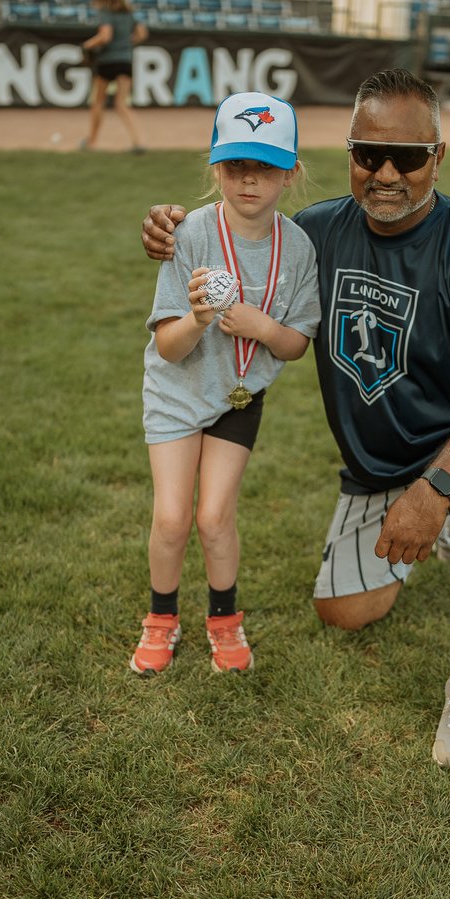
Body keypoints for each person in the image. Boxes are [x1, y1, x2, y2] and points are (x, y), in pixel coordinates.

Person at [140, 68, 450, 771]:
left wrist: (433, 491)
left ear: (438, 158)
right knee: (344, 614)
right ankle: (434, 525)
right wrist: (170, 230)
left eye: (410, 157)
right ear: (349, 154)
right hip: (377, 467)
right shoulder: (315, 234)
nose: (387, 173)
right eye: (369, 154)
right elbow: (239, 236)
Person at [131, 91, 321, 678]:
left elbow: (297, 343)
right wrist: (198, 318)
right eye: (237, 165)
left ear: (289, 173)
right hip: (177, 392)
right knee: (170, 519)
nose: (249, 180)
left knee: (214, 516)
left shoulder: (300, 249)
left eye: (265, 166)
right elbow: (167, 344)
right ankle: (161, 618)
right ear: (216, 167)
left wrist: (265, 327)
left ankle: (224, 619)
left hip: (238, 397)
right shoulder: (189, 236)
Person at [79, 0, 148, 153]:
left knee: (98, 103)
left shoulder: (105, 11)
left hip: (107, 61)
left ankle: (92, 142)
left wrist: (87, 45)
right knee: (122, 104)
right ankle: (138, 142)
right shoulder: (127, 11)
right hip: (125, 60)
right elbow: (142, 33)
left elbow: (105, 36)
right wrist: (126, 43)